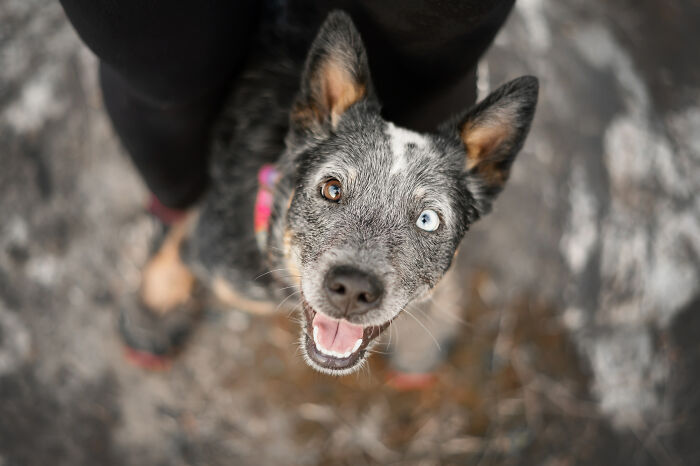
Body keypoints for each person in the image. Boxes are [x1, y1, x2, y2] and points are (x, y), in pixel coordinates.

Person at [58, 0, 516, 381]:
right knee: (159, 58)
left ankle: (426, 274)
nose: (355, 283)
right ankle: (177, 230)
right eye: (334, 190)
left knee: (429, 51)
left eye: (425, 218)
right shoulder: (234, 254)